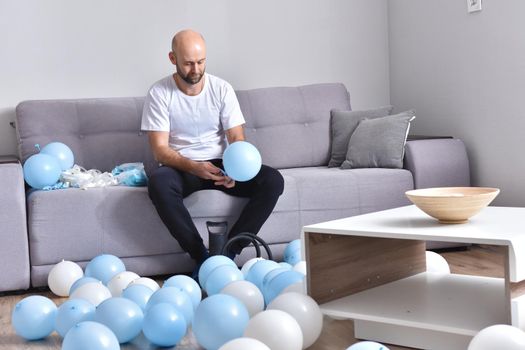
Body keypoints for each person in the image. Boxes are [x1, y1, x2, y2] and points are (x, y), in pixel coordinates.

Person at [141, 29, 284, 276]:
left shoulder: (221, 89)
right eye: (188, 63)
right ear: (172, 59)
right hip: (183, 166)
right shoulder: (159, 93)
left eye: (200, 62)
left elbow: (237, 138)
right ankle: (202, 257)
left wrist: (235, 170)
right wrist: (195, 167)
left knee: (272, 180)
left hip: (221, 164)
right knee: (158, 183)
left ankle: (229, 252)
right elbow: (160, 151)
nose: (195, 69)